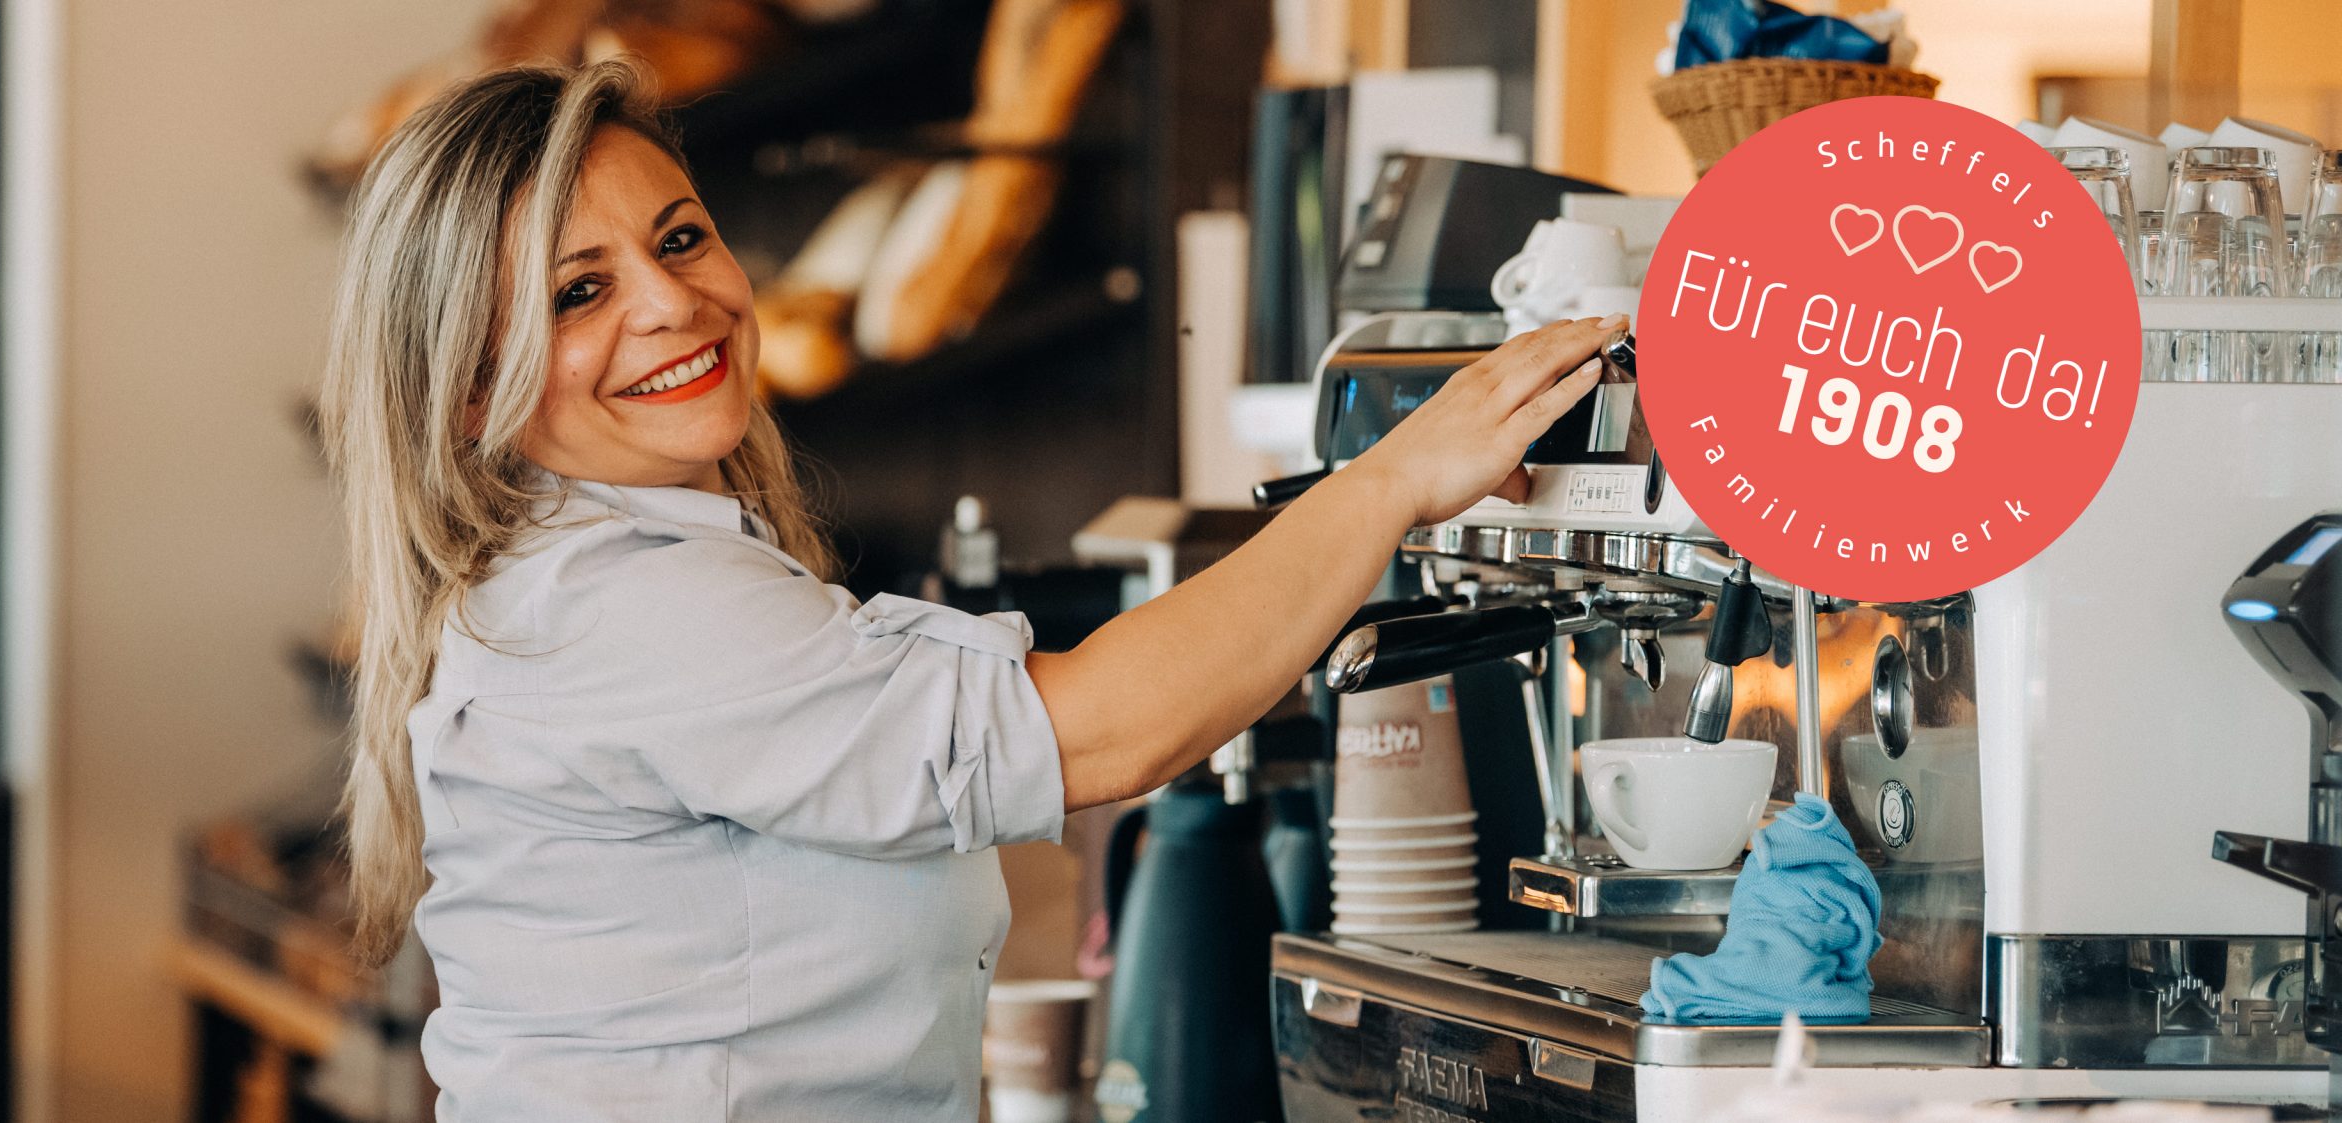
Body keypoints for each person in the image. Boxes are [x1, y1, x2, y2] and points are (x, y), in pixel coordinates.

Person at [320, 58, 1619, 1122]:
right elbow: (1097, 732)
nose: (674, 302)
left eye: (681, 238)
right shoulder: (622, 609)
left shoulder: (607, 573)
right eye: (579, 292)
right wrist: (1396, 478)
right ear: (471, 384)